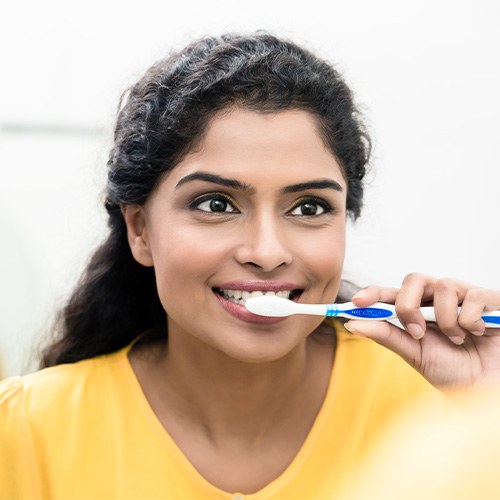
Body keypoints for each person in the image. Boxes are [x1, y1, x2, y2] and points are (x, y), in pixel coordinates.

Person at [1, 32, 499, 499]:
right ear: (140, 231)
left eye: (309, 207)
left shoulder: (448, 414)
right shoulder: (23, 432)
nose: (266, 251)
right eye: (216, 204)